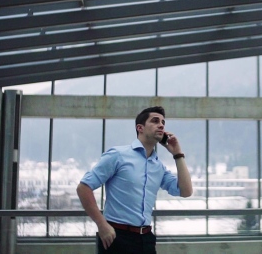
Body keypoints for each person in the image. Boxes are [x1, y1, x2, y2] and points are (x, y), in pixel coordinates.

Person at [77, 106, 193, 254]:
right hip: (115, 236)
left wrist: (178, 154)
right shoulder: (118, 155)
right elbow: (83, 188)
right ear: (140, 128)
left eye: (163, 122)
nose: (161, 125)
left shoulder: (158, 167)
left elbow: (186, 191)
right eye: (155, 121)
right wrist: (102, 225)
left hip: (146, 239)